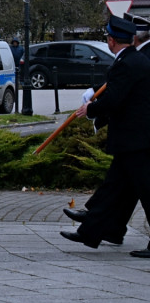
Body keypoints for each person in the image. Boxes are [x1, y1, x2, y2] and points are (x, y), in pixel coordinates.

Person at [60, 16, 150, 257]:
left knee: (144, 190)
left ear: (111, 41)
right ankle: (96, 230)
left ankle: (94, 227)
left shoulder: (126, 64)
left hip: (136, 139)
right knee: (117, 187)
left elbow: (115, 99)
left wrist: (91, 108)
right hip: (136, 138)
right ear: (131, 39)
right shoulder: (136, 59)